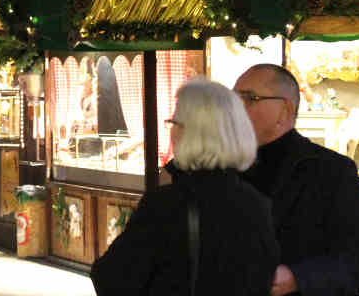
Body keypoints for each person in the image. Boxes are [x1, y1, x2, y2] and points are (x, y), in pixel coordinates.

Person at [91, 78, 279, 295]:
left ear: (190, 132)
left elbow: (113, 280)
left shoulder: (166, 204)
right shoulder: (257, 201)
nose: (171, 131)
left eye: (174, 122)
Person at [235, 64, 359, 296]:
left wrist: (297, 277)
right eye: (233, 99)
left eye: (250, 98)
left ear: (285, 110)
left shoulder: (332, 172)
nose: (236, 109)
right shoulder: (224, 168)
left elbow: (358, 261)